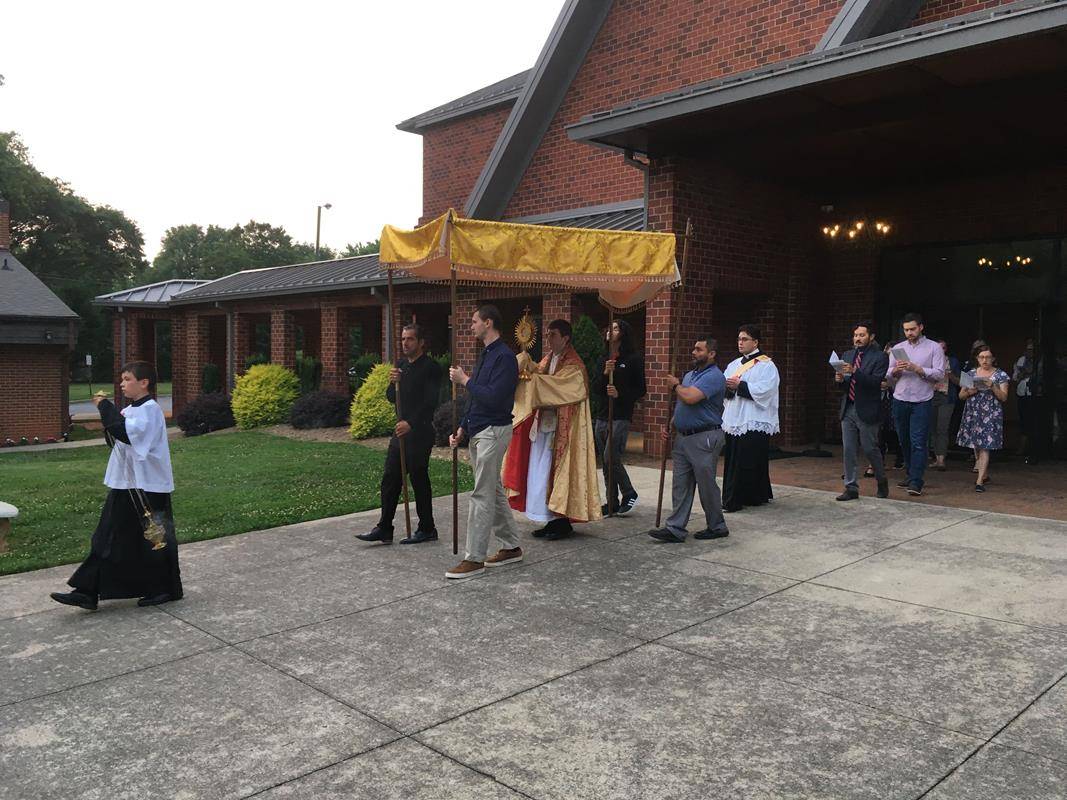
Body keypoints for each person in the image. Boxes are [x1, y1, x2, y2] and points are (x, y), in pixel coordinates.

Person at [51, 361, 182, 610]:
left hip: (147, 486)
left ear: (144, 383)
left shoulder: (150, 409)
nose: (122, 384)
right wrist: (110, 415)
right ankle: (88, 590)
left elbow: (126, 434)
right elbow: (116, 436)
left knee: (153, 538)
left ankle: (163, 588)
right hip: (128, 483)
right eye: (122, 379)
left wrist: (105, 406)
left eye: (127, 379)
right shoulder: (131, 410)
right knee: (110, 536)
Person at [503, 319, 601, 540]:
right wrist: (526, 364)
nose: (548, 339)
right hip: (545, 427)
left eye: (553, 335)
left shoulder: (575, 366)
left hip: (562, 432)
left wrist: (534, 381)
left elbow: (557, 387)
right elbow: (539, 374)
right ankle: (549, 519)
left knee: (555, 473)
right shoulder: (549, 359)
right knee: (540, 472)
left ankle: (562, 522)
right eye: (547, 335)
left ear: (565, 338)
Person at [446, 305, 521, 580]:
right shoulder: (486, 355)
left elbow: (495, 397)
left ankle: (474, 557)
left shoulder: (505, 358)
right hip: (478, 429)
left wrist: (465, 379)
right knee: (494, 490)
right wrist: (462, 428)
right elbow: (476, 398)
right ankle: (511, 545)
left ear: (489, 323)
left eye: (475, 321)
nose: (472, 326)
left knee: (481, 493)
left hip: (494, 430)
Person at [357, 323, 442, 545]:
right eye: (403, 339)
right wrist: (392, 382)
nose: (405, 343)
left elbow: (431, 402)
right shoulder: (401, 365)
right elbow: (390, 397)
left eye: (410, 339)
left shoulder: (431, 368)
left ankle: (427, 528)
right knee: (390, 479)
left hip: (420, 432)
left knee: (418, 479)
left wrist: (411, 423)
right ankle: (385, 527)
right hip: (400, 433)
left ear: (421, 342)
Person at [647, 336, 729, 542]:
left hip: (704, 437)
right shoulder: (690, 375)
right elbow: (683, 405)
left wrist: (675, 386)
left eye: (699, 350)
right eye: (694, 349)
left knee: (705, 483)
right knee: (680, 484)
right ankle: (675, 528)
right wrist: (671, 424)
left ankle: (717, 525)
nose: (694, 352)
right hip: (684, 437)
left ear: (711, 354)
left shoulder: (715, 376)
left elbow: (691, 397)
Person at [722, 324, 779, 512]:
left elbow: (766, 390)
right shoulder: (734, 364)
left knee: (750, 460)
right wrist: (729, 387)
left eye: (744, 339)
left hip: (754, 419)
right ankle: (736, 495)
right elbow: (725, 387)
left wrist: (740, 385)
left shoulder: (767, 365)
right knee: (733, 459)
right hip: (735, 418)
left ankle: (751, 496)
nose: (740, 342)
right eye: (739, 339)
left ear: (755, 342)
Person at [886, 313, 945, 497]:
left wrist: (917, 368)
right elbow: (888, 373)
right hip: (900, 398)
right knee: (904, 440)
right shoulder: (898, 348)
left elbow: (939, 373)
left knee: (918, 442)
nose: (909, 333)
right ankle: (911, 474)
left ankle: (916, 481)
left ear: (921, 327)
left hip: (922, 400)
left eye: (912, 329)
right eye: (906, 330)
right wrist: (896, 370)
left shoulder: (934, 347)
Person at [594, 319, 646, 516]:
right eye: (609, 328)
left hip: (620, 415)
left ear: (623, 333)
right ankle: (611, 501)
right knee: (606, 462)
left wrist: (620, 394)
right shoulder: (603, 359)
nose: (610, 331)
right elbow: (596, 389)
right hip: (602, 415)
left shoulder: (633, 359)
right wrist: (605, 372)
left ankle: (629, 492)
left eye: (615, 328)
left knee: (610, 456)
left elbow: (641, 389)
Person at [835, 322, 889, 501]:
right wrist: (840, 379)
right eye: (855, 335)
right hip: (848, 406)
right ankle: (851, 487)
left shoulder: (880, 357)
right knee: (849, 449)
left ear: (871, 337)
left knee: (869, 448)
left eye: (862, 335)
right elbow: (845, 385)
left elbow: (875, 383)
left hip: (867, 408)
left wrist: (855, 372)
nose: (857, 339)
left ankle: (881, 480)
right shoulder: (848, 355)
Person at [956, 346, 1010, 492]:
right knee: (976, 444)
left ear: (993, 359)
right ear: (977, 359)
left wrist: (993, 386)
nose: (985, 360)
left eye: (988, 357)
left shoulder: (1001, 375)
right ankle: (984, 473)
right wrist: (969, 392)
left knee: (986, 445)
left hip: (991, 413)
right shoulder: (970, 373)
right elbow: (960, 396)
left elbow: (1004, 397)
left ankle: (979, 481)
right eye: (982, 357)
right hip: (973, 411)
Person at [929, 339, 961, 472]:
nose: (940, 350)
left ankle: (941, 459)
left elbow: (961, 382)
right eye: (938, 348)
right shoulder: (929, 360)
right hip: (930, 396)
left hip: (947, 396)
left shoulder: (952, 361)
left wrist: (950, 374)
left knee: (942, 427)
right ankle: (936, 457)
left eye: (943, 348)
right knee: (932, 428)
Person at [1013, 339, 1035, 458]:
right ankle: (1022, 447)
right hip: (1022, 393)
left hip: (1034, 394)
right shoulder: (1021, 361)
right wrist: (1022, 373)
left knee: (1032, 421)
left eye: (1031, 350)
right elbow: (1016, 377)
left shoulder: (1040, 362)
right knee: (1023, 420)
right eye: (1028, 350)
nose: (1029, 353)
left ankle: (1031, 447)